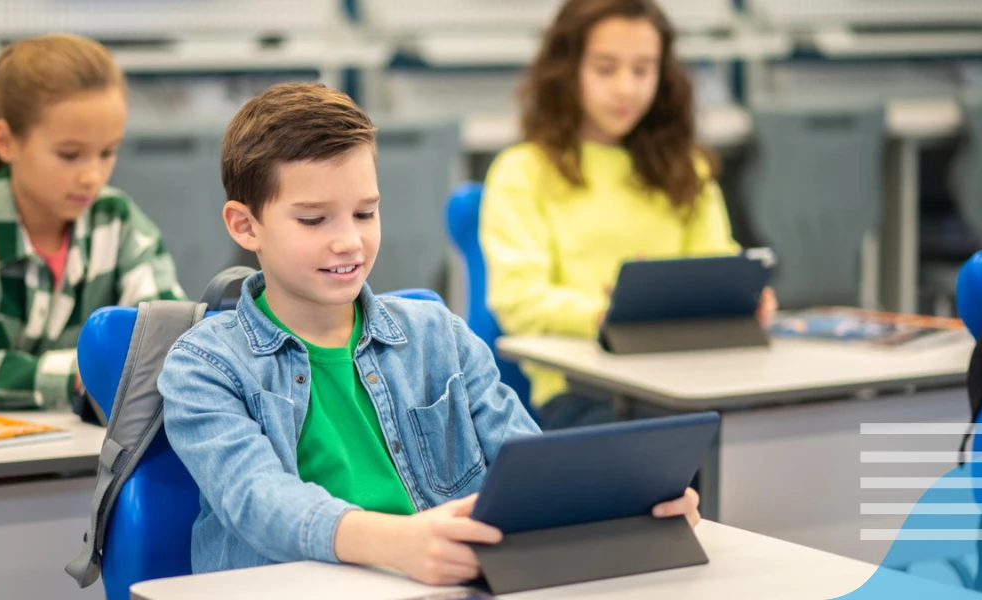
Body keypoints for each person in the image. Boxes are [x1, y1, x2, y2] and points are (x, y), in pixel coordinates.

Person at [158, 82, 701, 586]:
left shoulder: (439, 337)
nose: (349, 241)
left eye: (365, 212)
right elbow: (254, 498)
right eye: (313, 220)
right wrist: (396, 542)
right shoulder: (205, 365)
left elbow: (530, 466)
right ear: (245, 224)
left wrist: (624, 503)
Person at [479, 0, 776, 429]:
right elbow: (518, 300)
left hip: (693, 380)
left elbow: (716, 263)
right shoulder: (524, 171)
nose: (625, 88)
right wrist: (607, 314)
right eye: (605, 69)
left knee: (769, 435)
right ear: (568, 70)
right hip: (584, 392)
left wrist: (742, 301)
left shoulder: (686, 168)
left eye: (642, 70)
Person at [0, 34, 184, 413]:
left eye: (108, 152)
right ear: (5, 141)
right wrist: (75, 375)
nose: (92, 176)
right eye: (69, 155)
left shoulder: (120, 220)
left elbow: (167, 342)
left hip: (78, 462)